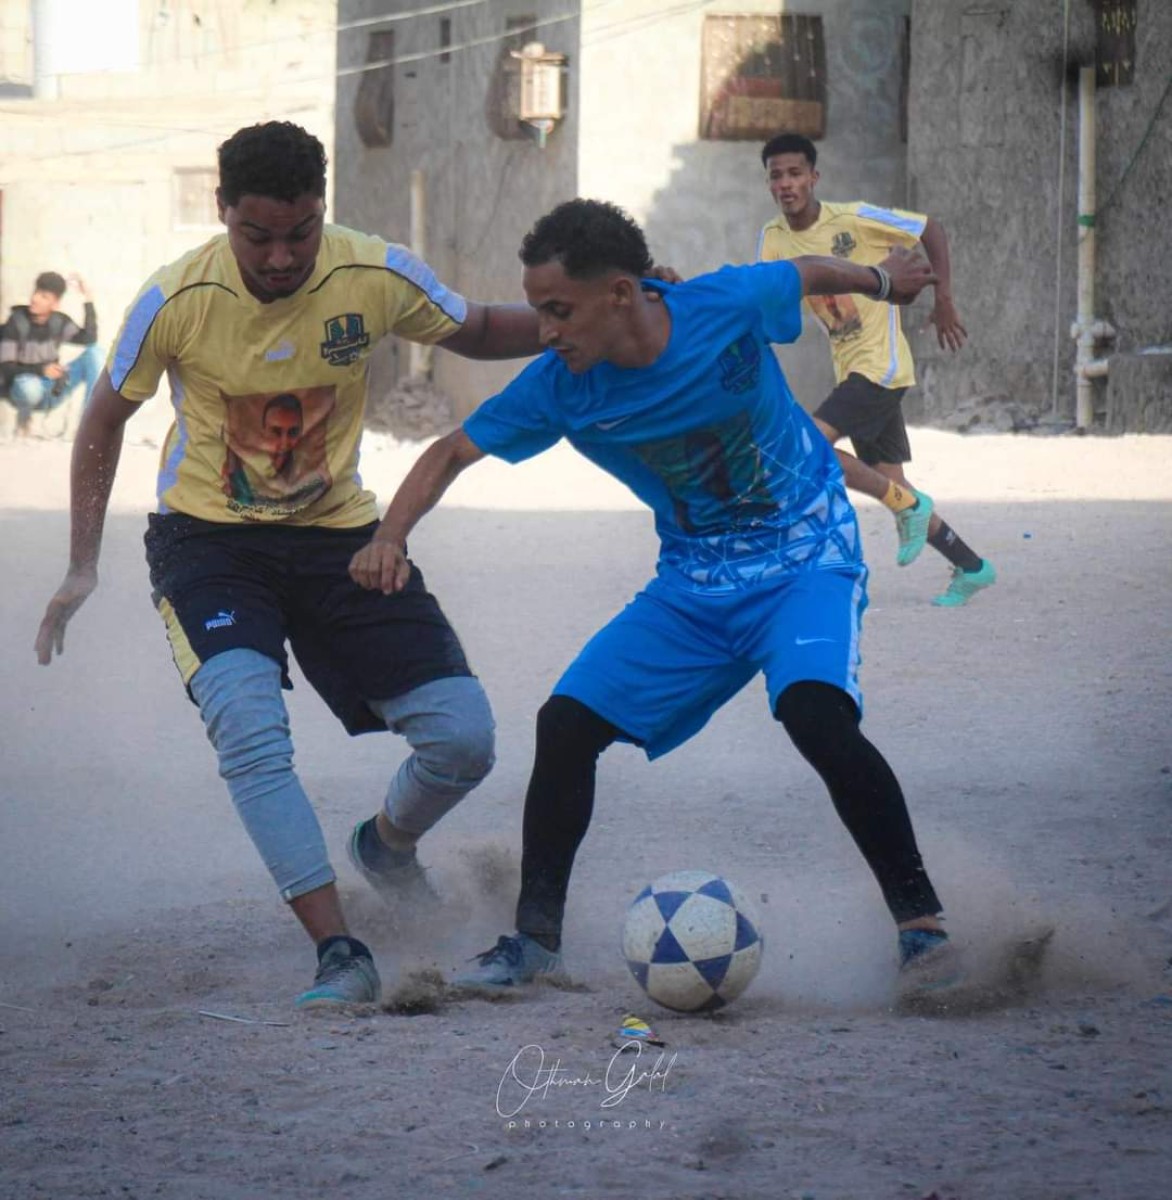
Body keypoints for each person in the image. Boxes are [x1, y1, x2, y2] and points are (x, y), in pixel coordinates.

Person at [363, 198, 957, 997]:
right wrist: (390, 536)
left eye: (557, 310)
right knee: (566, 724)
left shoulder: (723, 304)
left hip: (806, 553)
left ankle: (923, 933)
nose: (544, 331)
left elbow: (809, 270)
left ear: (621, 293)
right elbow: (449, 452)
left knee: (816, 714)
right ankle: (534, 946)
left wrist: (885, 279)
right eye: (538, 311)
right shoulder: (560, 389)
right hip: (695, 580)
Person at [33, 120, 558, 1010]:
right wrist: (83, 562)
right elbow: (104, 418)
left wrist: (590, 315)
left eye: (300, 231)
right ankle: (338, 951)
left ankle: (385, 846)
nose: (281, 256)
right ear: (222, 212)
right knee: (247, 725)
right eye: (258, 235)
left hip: (339, 538)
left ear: (324, 212)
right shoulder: (175, 299)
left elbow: (480, 328)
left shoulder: (374, 273)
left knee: (465, 738)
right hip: (209, 546)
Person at [757, 132, 996, 608]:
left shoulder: (853, 219)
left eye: (795, 173)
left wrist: (943, 298)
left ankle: (904, 511)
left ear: (813, 177)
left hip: (881, 367)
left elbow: (930, 228)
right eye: (776, 175)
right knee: (893, 483)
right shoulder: (774, 240)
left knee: (807, 448)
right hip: (849, 370)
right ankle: (972, 566)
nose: (786, 184)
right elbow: (768, 305)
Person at [1, 271, 102, 436]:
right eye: (35, 293)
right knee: (29, 386)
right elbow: (6, 368)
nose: (34, 299)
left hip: (52, 388)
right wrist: (41, 370)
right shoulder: (16, 322)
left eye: (43, 296)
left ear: (55, 304)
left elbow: (89, 338)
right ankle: (24, 420)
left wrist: (88, 299)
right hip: (23, 390)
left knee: (95, 353)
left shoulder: (59, 321)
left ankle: (89, 426)